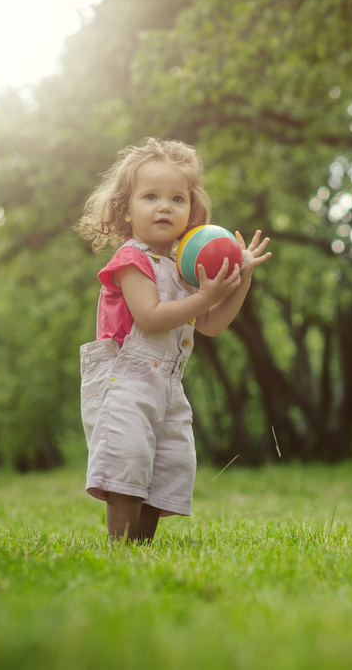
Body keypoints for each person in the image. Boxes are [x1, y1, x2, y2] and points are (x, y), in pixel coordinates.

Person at [73, 137, 271, 541]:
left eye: (177, 199)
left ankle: (142, 548)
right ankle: (121, 547)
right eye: (150, 196)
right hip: (123, 383)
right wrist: (204, 296)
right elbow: (151, 317)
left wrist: (240, 279)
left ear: (192, 212)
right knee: (129, 462)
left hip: (166, 385)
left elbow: (211, 325)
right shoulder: (131, 259)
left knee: (165, 465)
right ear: (125, 209)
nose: (164, 206)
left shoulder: (186, 269)